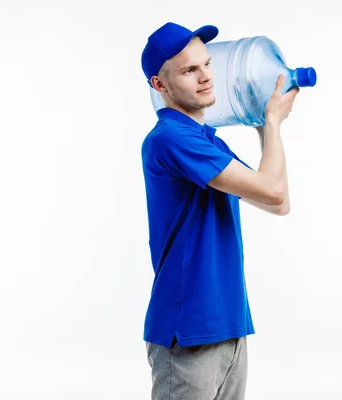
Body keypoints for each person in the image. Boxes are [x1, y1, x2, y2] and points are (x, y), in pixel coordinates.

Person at [140, 21, 299, 400]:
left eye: (207, 64)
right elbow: (272, 189)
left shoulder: (207, 141)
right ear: (159, 86)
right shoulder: (172, 138)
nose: (206, 77)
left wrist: (262, 123)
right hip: (190, 328)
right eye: (189, 70)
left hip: (228, 323)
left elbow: (278, 202)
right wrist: (273, 122)